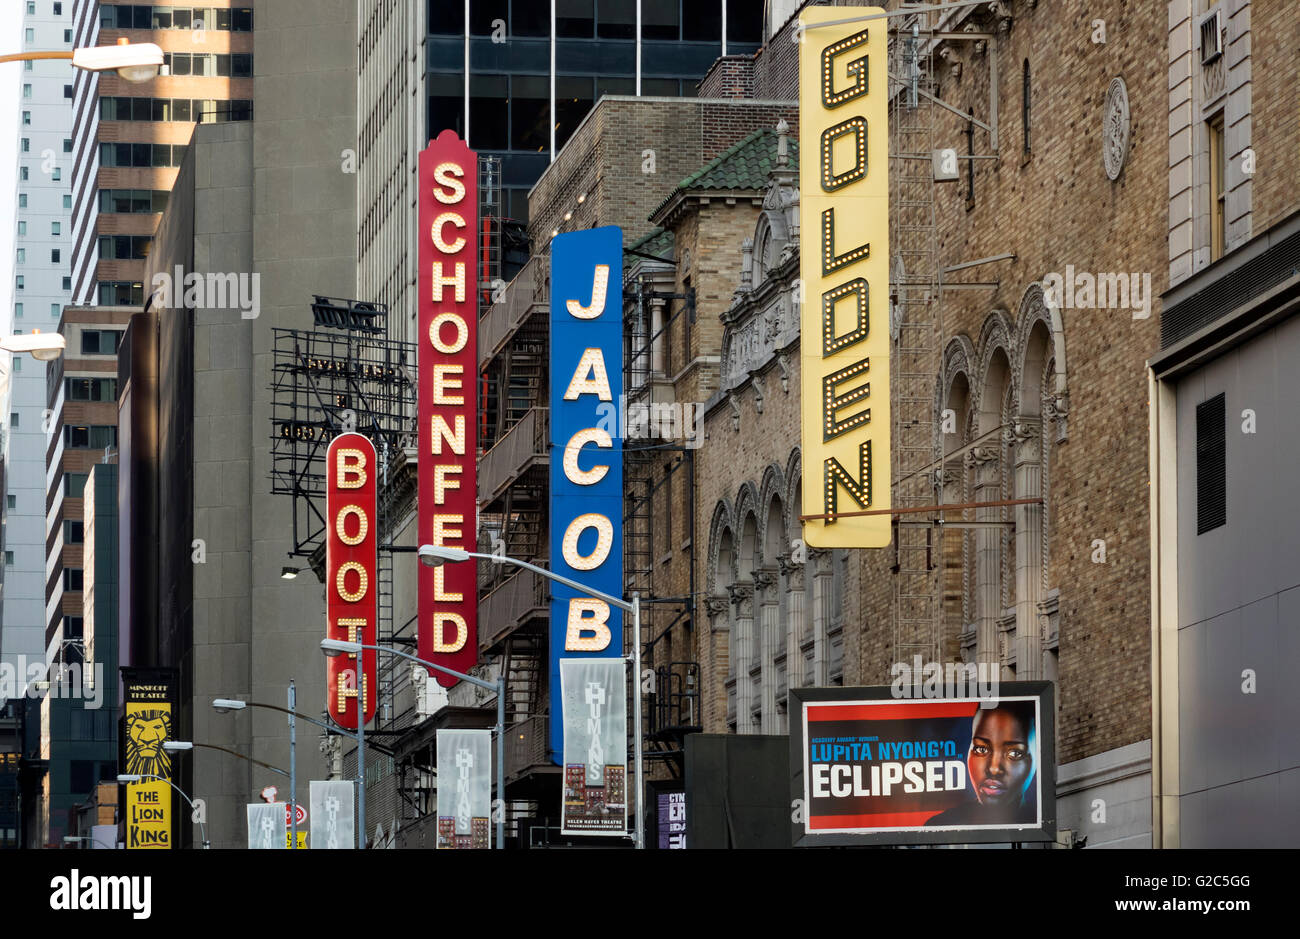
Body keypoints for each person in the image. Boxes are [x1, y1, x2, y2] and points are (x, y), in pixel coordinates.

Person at [925, 700, 1037, 826]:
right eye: (981, 749)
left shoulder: (1041, 824)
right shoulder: (939, 826)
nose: (994, 769)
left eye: (1015, 753)